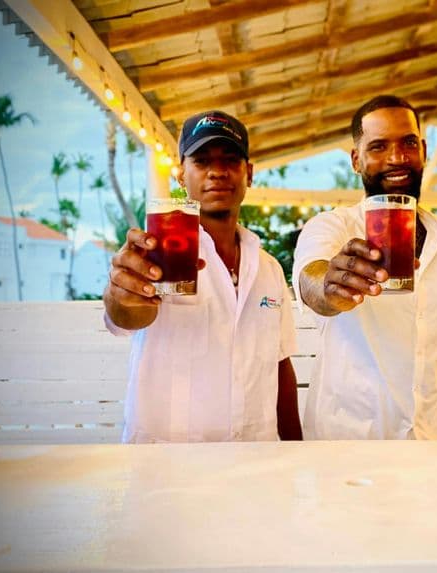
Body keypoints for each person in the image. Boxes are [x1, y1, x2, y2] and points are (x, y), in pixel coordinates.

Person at [292, 95, 437, 440]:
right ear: (356, 160)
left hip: (431, 442)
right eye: (379, 146)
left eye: (408, 143)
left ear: (424, 150)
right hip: (347, 448)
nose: (397, 158)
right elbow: (312, 283)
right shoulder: (330, 227)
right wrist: (332, 285)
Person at [104, 110, 302, 443]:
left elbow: (280, 366)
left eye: (230, 160)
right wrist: (120, 293)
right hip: (168, 467)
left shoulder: (268, 267)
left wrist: (297, 454)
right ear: (181, 175)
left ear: (248, 173)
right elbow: (125, 315)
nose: (217, 172)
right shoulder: (156, 253)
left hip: (256, 463)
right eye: (201, 161)